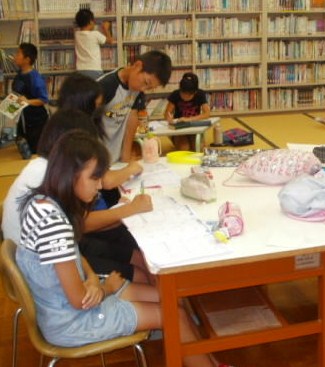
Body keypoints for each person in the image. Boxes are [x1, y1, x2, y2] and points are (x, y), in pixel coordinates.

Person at [15, 131, 218, 367]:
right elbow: (80, 301)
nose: (100, 185)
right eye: (95, 178)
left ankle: (210, 361)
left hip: (74, 301)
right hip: (72, 321)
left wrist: (92, 278)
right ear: (71, 175)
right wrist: (106, 289)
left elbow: (73, 254)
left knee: (171, 299)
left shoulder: (42, 203)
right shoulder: (53, 225)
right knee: (174, 315)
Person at [2, 109, 152, 283]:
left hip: (61, 247)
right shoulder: (48, 175)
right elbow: (82, 223)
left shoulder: (48, 167)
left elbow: (77, 223)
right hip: (46, 268)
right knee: (139, 273)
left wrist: (120, 212)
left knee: (135, 254)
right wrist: (128, 210)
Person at [98, 50, 172, 163]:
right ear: (137, 66)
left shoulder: (137, 91)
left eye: (149, 88)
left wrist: (126, 158)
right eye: (146, 83)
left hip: (115, 156)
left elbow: (131, 123)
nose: (143, 89)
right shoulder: (105, 86)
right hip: (96, 156)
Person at [11, 42, 49, 154]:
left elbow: (43, 99)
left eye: (18, 54)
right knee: (23, 150)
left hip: (36, 122)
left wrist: (27, 101)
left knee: (34, 151)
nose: (15, 56)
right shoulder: (20, 73)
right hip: (23, 118)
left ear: (27, 59)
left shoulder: (35, 78)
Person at [165, 72, 211, 151]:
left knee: (199, 149)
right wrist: (169, 118)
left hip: (194, 127)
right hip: (179, 129)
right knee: (184, 149)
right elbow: (167, 113)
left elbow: (207, 113)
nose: (185, 97)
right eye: (183, 93)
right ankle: (173, 139)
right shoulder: (175, 94)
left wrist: (189, 119)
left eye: (189, 95)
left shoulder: (200, 94)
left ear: (195, 92)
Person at [74, 8, 114, 80]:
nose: (94, 23)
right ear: (90, 22)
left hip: (80, 70)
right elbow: (110, 41)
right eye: (93, 21)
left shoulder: (77, 34)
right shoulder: (95, 34)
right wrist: (106, 29)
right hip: (94, 70)